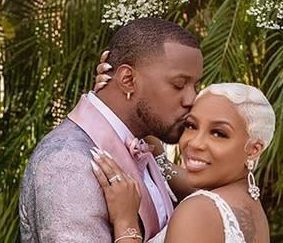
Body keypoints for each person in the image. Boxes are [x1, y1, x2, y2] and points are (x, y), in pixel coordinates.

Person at [19, 17, 203, 243]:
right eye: (178, 84)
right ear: (127, 80)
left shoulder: (144, 144)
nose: (192, 99)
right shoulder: (66, 161)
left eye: (195, 86)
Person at [90, 83, 275, 243]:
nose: (194, 143)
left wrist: (126, 222)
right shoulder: (250, 208)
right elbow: (179, 179)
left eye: (218, 133)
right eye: (191, 126)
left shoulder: (199, 211)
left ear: (253, 149)